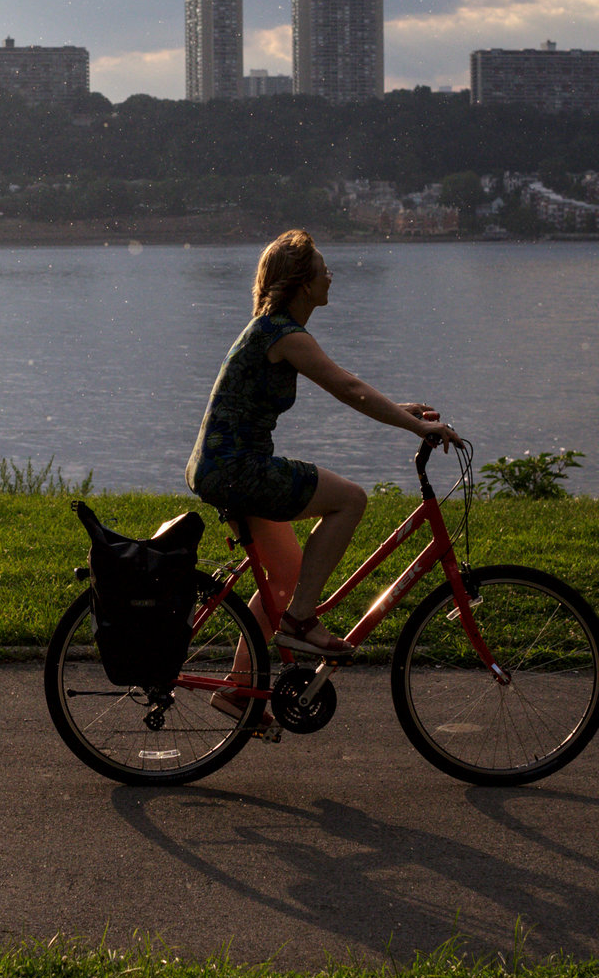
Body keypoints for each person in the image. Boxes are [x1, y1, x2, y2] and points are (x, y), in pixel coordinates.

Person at [187, 229, 462, 670]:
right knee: (350, 499)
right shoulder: (285, 335)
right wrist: (415, 426)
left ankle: (239, 691)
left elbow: (345, 384)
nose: (330, 277)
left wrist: (400, 411)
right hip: (239, 470)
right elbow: (348, 388)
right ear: (303, 285)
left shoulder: (274, 330)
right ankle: (300, 622)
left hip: (220, 468)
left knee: (287, 575)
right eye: (323, 270)